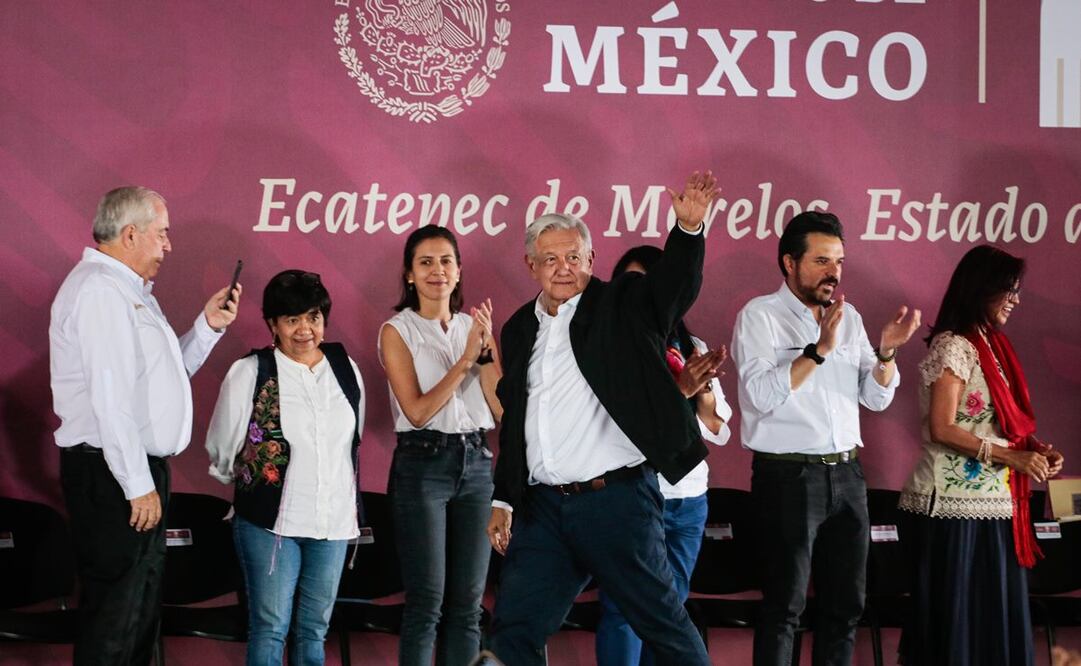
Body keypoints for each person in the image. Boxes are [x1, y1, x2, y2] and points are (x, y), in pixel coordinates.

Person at [487, 171, 719, 666]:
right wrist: (505, 497)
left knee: (662, 623)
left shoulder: (623, 303)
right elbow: (518, 417)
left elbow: (671, 290)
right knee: (513, 628)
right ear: (531, 266)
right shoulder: (518, 327)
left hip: (615, 503)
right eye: (550, 259)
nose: (564, 267)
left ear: (591, 260)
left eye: (574, 256)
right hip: (545, 510)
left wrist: (688, 231)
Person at [49, 186, 239, 665]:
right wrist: (136, 483)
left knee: (139, 612)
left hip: (130, 470)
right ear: (130, 233)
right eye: (162, 234)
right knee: (117, 616)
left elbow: (159, 381)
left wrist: (206, 328)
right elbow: (109, 397)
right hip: (114, 474)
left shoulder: (126, 291)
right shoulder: (98, 290)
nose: (169, 246)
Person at [730, 210, 921, 666]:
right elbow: (758, 395)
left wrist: (888, 353)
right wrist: (818, 351)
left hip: (848, 476)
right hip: (787, 476)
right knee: (784, 607)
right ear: (789, 263)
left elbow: (874, 399)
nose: (833, 272)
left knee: (846, 606)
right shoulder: (760, 317)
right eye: (820, 260)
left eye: (838, 261)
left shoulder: (848, 317)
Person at [897, 245, 1064, 666]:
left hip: (994, 505)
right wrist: (1013, 459)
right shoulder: (955, 345)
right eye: (1008, 289)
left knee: (992, 623)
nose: (1016, 299)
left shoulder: (993, 347)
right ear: (981, 288)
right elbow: (943, 427)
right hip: (952, 508)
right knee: (961, 627)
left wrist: (1033, 451)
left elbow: (993, 423)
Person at [206, 270, 365, 666]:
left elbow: (352, 439)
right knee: (270, 628)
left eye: (313, 317)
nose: (304, 329)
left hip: (332, 525)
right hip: (270, 525)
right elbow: (223, 445)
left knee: (314, 632)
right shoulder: (252, 371)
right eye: (292, 319)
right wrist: (246, 486)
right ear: (273, 325)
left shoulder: (345, 368)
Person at [594, 244, 731, 666]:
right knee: (623, 611)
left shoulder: (692, 345)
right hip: (632, 495)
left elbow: (717, 428)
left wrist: (703, 394)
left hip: (688, 498)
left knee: (671, 613)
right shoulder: (604, 347)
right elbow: (619, 427)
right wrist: (682, 391)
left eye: (651, 284)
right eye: (630, 284)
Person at [378, 225, 502, 666]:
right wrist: (465, 359)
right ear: (409, 274)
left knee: (468, 605)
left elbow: (500, 408)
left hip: (477, 462)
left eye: (446, 261)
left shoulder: (474, 326)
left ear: (459, 270)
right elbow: (416, 410)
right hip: (423, 462)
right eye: (426, 262)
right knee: (427, 600)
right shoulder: (398, 330)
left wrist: (484, 355)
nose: (437, 271)